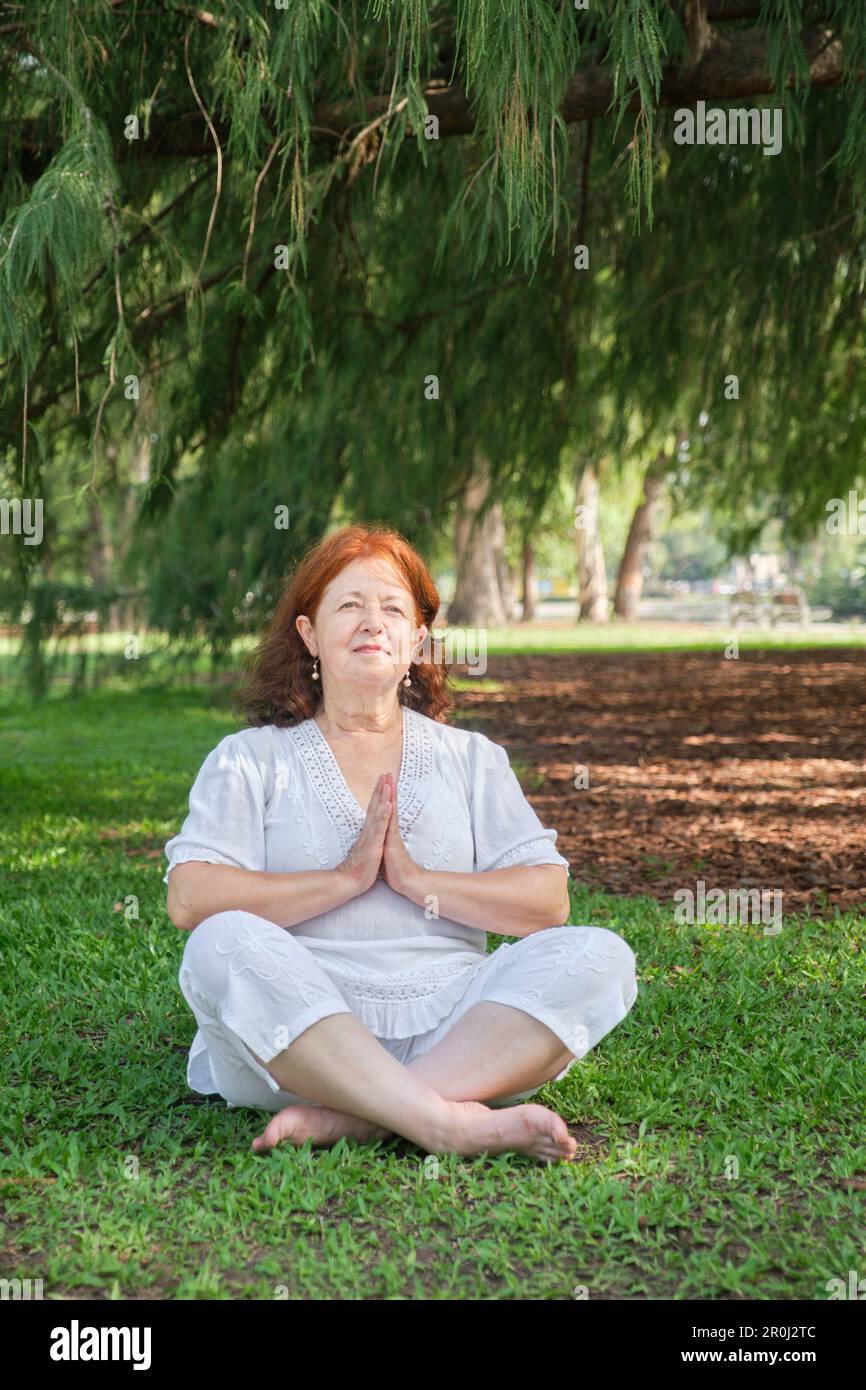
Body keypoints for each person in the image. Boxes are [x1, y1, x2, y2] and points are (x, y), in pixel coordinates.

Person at [164, 524, 638, 1164]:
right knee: (218, 945)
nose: (372, 623)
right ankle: (445, 1124)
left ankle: (362, 1116)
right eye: (349, 605)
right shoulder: (251, 759)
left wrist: (417, 881)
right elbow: (192, 899)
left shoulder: (471, 759)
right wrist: (343, 881)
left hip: (458, 1032)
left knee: (600, 955)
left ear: (417, 639)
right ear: (309, 634)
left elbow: (546, 902)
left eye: (392, 608)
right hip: (300, 1040)